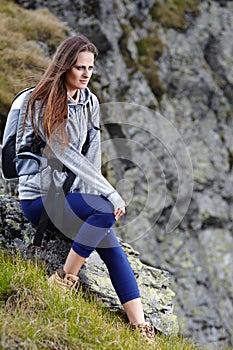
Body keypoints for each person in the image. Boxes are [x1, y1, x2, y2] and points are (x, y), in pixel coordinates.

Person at [18, 34, 155, 343]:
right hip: (39, 199)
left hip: (70, 197)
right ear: (65, 66)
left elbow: (93, 156)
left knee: (111, 245)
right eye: (79, 67)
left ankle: (140, 329)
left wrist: (96, 193)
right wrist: (109, 193)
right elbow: (66, 154)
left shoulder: (90, 101)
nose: (85, 74)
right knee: (105, 210)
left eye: (90, 68)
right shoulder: (43, 102)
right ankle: (64, 278)